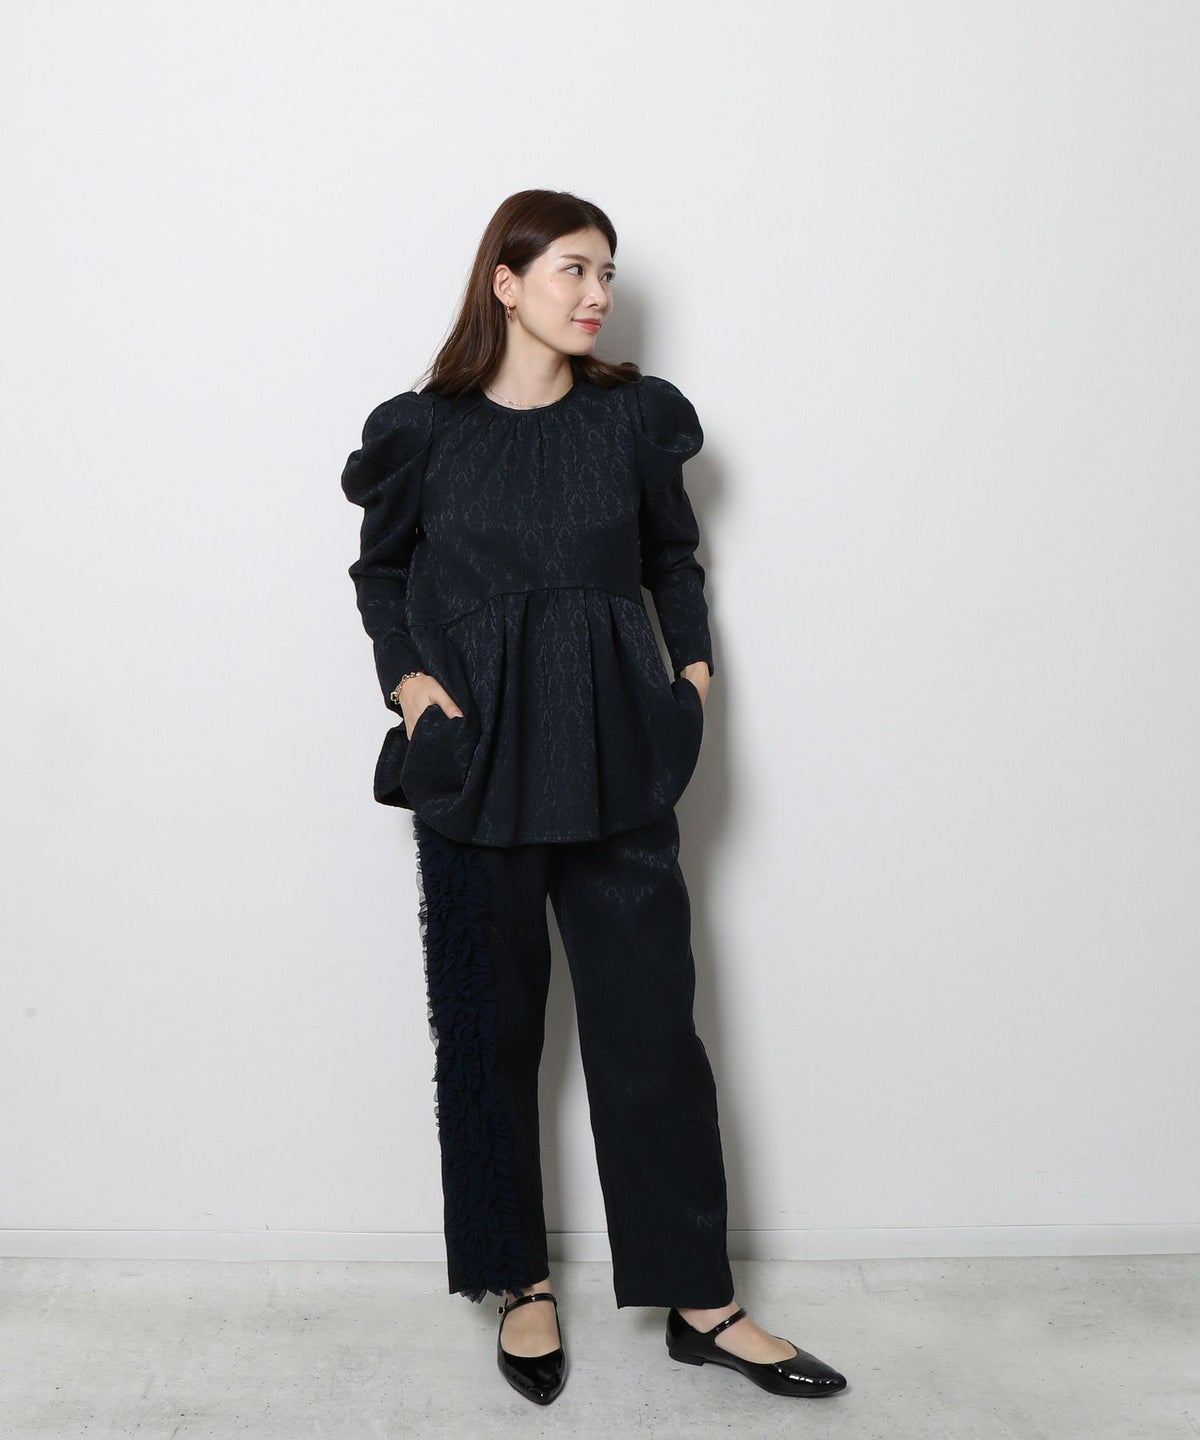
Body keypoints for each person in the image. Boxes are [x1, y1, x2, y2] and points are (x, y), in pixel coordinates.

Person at [340, 189, 848, 1405]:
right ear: (505, 283)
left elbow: (674, 557)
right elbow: (381, 570)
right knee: (489, 1036)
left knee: (651, 1037)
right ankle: (517, 1282)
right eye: (572, 268)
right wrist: (408, 682)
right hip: (476, 764)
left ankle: (701, 1303)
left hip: (618, 755)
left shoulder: (630, 420)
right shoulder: (424, 431)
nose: (597, 293)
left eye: (607, 273)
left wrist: (692, 675)